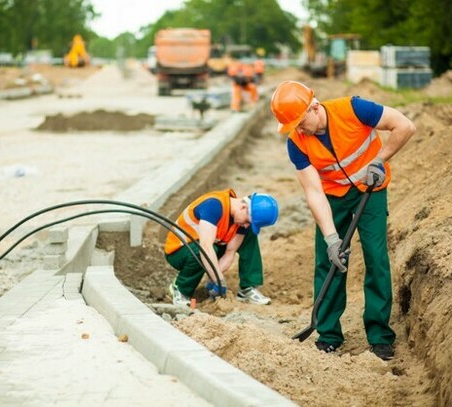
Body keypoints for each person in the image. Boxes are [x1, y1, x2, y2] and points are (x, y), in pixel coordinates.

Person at [270, 81, 416, 361]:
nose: (299, 130)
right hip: (333, 195)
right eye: (293, 127)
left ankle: (380, 336)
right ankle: (328, 335)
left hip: (370, 187)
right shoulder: (297, 144)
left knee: (375, 256)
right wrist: (331, 239)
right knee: (329, 260)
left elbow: (405, 126)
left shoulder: (354, 109)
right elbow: (313, 192)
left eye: (301, 122)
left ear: (314, 107)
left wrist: (380, 160)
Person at [165, 188, 278, 307]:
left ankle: (247, 288)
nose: (246, 225)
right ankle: (180, 289)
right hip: (179, 251)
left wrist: (214, 277)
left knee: (249, 235)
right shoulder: (213, 206)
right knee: (201, 250)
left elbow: (230, 252)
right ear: (243, 208)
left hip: (209, 249)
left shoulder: (240, 218)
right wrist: (219, 280)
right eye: (247, 221)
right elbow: (205, 248)